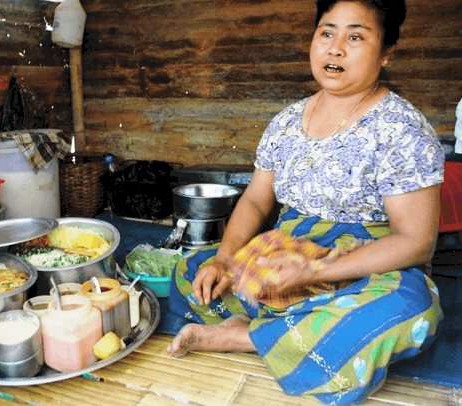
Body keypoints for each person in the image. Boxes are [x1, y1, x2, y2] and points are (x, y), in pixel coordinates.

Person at [166, 0, 445, 404]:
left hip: (369, 264)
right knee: (193, 272)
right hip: (286, 251)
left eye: (355, 37)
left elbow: (416, 242)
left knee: (409, 309)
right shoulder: (286, 121)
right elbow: (257, 201)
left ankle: (245, 335)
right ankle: (289, 334)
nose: (335, 48)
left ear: (386, 53)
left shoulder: (403, 129)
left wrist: (316, 268)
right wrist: (225, 258)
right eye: (326, 33)